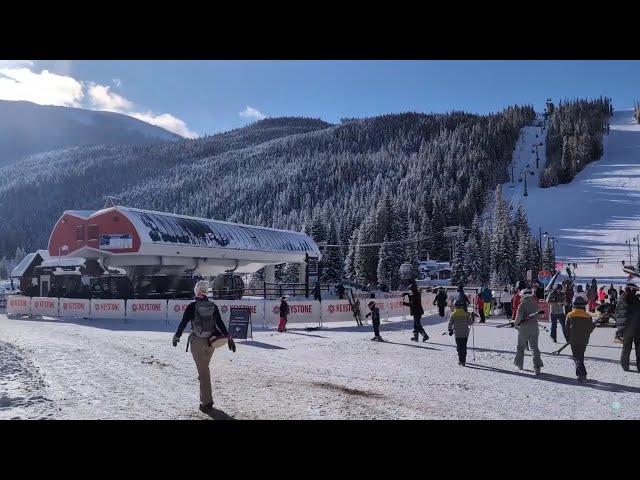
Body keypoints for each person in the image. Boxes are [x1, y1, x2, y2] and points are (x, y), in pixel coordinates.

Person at [172, 280, 236, 414]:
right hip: (210, 343)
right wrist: (229, 338)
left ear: (196, 291)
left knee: (204, 373)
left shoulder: (192, 306)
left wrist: (177, 336)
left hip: (197, 342)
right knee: (204, 371)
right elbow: (220, 323)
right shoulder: (213, 306)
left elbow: (183, 322)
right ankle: (204, 400)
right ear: (206, 292)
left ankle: (207, 402)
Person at [513, 288, 544, 375]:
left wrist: (515, 324)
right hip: (534, 328)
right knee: (534, 348)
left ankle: (519, 364)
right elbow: (539, 316)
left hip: (524, 329)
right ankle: (537, 367)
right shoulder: (535, 304)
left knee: (521, 346)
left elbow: (518, 317)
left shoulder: (522, 305)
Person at [565, 296, 595, 382]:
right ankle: (583, 375)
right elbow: (590, 329)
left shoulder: (570, 315)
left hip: (573, 339)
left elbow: (566, 329)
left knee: (576, 357)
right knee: (580, 356)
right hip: (584, 340)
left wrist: (568, 339)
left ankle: (580, 375)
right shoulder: (588, 316)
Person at [615, 281, 640, 372]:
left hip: (626, 328)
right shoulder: (635, 299)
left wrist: (619, 327)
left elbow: (616, 312)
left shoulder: (621, 298)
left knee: (626, 348)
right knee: (638, 348)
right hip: (637, 327)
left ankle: (625, 366)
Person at [448, 298, 475, 366]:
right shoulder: (466, 314)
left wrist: (450, 330)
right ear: (462, 306)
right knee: (464, 346)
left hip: (457, 334)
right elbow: (470, 323)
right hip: (465, 334)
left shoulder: (453, 314)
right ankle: (463, 360)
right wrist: (472, 318)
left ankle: (461, 360)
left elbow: (450, 324)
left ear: (455, 306)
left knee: (459, 347)